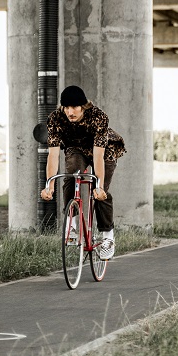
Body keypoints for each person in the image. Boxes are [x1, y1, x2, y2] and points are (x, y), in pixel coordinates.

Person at [40, 85, 126, 260]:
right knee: (71, 172)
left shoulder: (98, 117)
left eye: (75, 107)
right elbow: (53, 155)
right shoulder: (55, 118)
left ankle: (108, 236)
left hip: (104, 150)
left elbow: (99, 155)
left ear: (83, 106)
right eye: (67, 107)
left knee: (100, 191)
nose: (70, 112)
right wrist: (49, 185)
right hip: (76, 148)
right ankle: (71, 223)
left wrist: (100, 185)